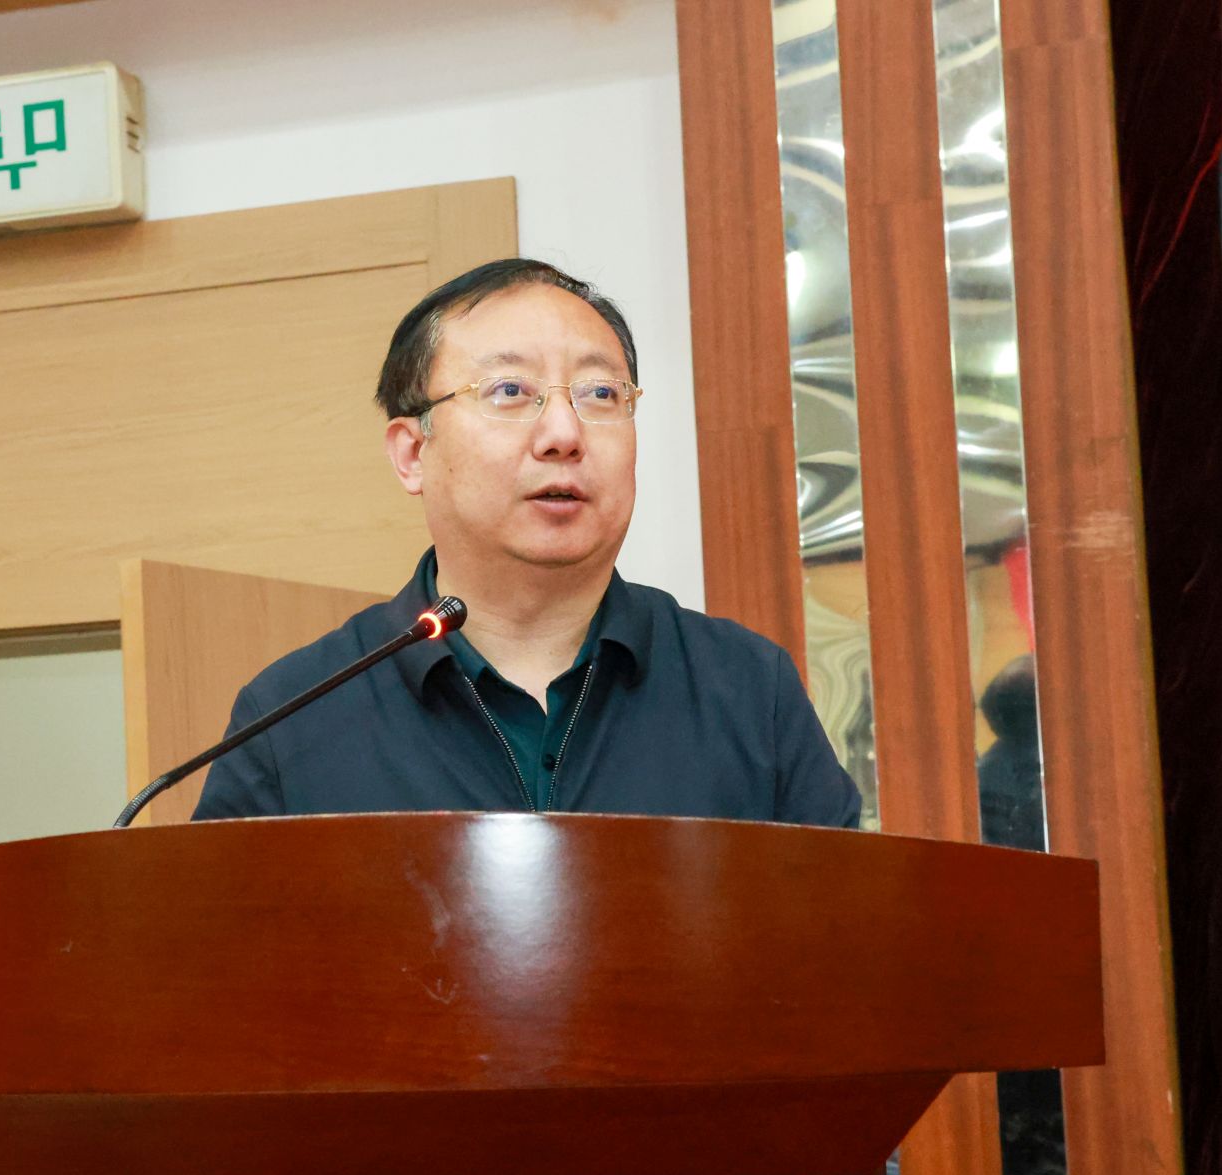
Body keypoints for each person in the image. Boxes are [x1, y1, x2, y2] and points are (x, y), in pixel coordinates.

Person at [192, 258, 859, 826]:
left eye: (601, 393)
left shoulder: (748, 690)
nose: (564, 433)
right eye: (510, 390)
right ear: (413, 453)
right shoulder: (292, 721)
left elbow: (844, 929)